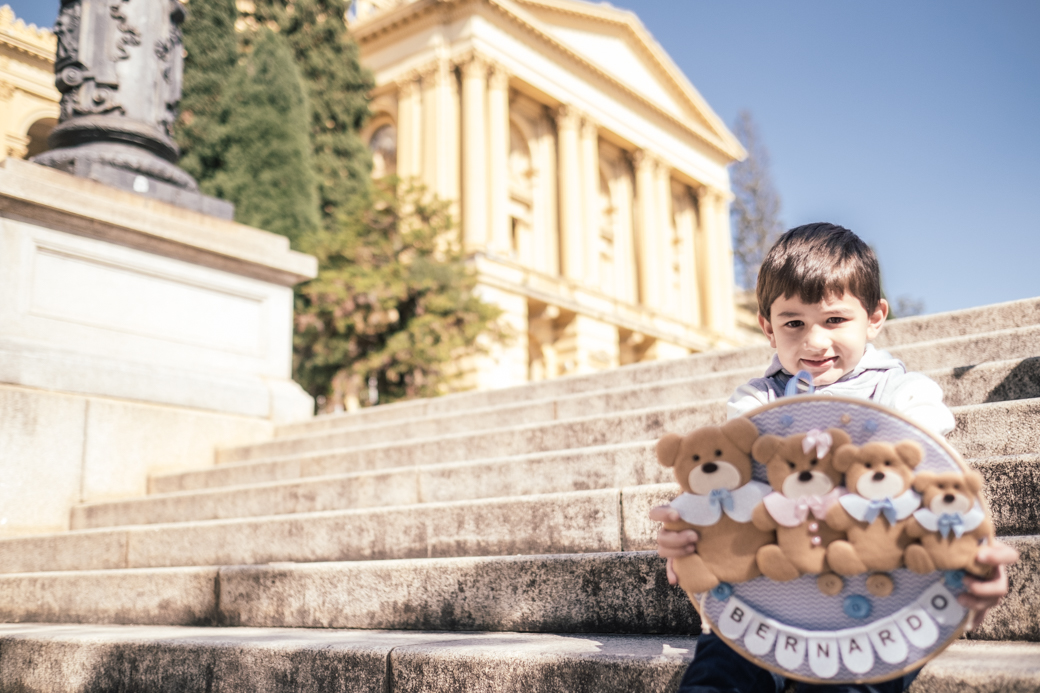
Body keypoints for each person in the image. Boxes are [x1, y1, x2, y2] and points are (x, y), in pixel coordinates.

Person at [650, 223, 1020, 693]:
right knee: (716, 677)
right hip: (768, 598)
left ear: (875, 316)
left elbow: (936, 482)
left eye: (835, 320)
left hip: (881, 604)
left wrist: (970, 549)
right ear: (768, 328)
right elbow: (736, 485)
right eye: (793, 323)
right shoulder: (754, 401)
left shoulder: (907, 394)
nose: (814, 342)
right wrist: (693, 528)